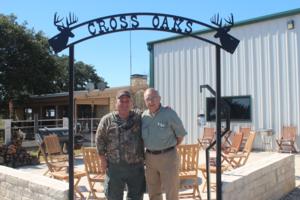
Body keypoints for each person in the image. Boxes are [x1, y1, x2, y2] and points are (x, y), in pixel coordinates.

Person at [96, 89, 145, 200]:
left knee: (136, 197)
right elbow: (99, 141)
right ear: (115, 103)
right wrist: (102, 160)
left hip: (136, 167)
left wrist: (162, 109)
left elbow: (153, 116)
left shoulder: (139, 118)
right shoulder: (107, 120)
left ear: (131, 103)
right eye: (121, 101)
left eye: (127, 101)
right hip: (115, 167)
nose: (124, 104)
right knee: (113, 197)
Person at [142, 88, 187, 200]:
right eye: (148, 99)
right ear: (144, 101)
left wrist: (170, 149)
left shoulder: (169, 113)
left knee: (171, 192)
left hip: (168, 158)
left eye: (154, 98)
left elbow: (180, 135)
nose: (151, 101)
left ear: (159, 99)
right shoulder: (143, 117)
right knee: (153, 192)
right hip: (150, 159)